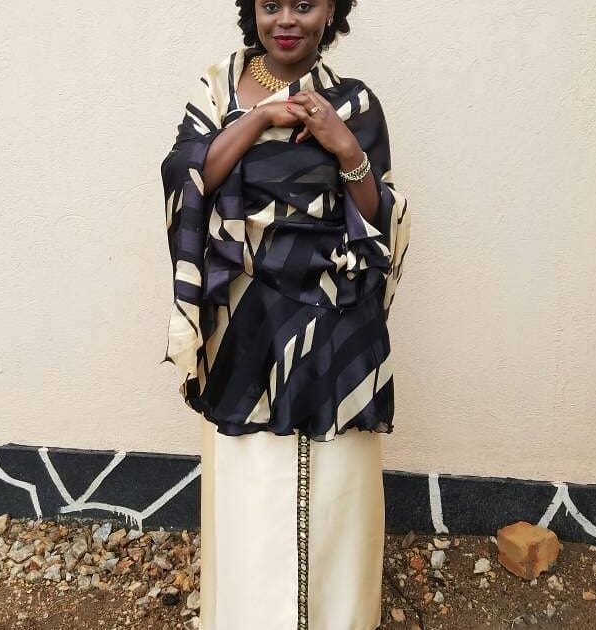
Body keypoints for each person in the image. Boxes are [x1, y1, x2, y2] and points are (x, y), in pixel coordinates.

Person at [160, 1, 411, 628]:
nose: (287, 20)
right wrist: (260, 118)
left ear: (332, 10)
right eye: (271, 4)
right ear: (252, 9)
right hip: (245, 324)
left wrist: (344, 145)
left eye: (305, 4)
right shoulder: (217, 90)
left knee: (337, 490)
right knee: (250, 489)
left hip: (335, 322)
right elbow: (187, 176)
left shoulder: (354, 102)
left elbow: (377, 218)